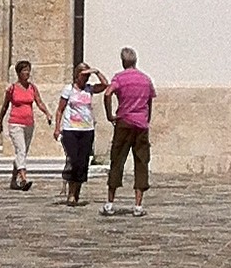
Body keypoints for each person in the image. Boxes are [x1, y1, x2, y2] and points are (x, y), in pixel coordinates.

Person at [101, 47, 155, 215]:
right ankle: (138, 205)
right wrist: (146, 119)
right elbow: (149, 102)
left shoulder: (119, 78)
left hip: (124, 122)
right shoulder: (145, 80)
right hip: (140, 124)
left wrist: (110, 114)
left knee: (117, 160)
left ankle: (110, 202)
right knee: (141, 162)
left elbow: (108, 93)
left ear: (123, 61)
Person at [53, 60, 105, 204]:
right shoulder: (68, 89)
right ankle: (71, 192)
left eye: (87, 76)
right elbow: (60, 110)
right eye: (83, 75)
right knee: (73, 160)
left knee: (83, 163)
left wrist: (96, 72)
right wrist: (57, 127)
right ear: (77, 75)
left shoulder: (89, 89)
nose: (85, 78)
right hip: (71, 129)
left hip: (86, 129)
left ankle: (77, 193)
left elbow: (105, 85)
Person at [0, 59, 50, 189]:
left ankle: (13, 181)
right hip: (15, 123)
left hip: (29, 123)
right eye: (24, 70)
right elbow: (5, 106)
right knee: (20, 150)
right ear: (19, 73)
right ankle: (24, 179)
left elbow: (39, 102)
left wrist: (47, 113)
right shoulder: (12, 88)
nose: (27, 73)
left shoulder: (32, 88)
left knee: (22, 152)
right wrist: (0, 121)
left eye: (28, 70)